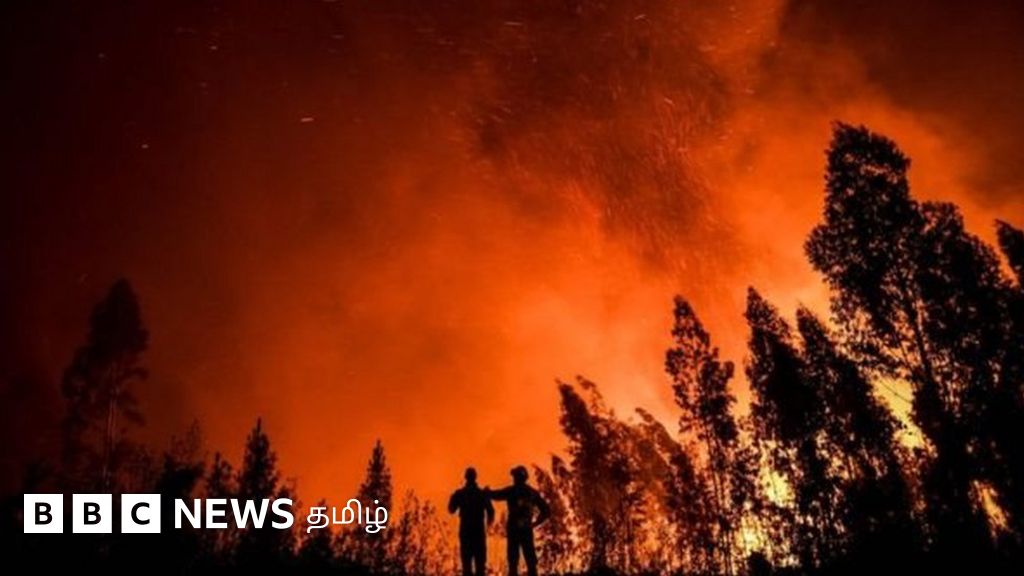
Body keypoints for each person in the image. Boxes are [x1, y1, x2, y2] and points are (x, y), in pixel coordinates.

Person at [486, 465, 550, 576]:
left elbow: (496, 495)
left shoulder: (512, 491)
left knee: (513, 561)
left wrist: (487, 492)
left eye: (515, 477)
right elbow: (546, 511)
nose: (514, 479)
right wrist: (534, 524)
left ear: (517, 478)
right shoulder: (532, 493)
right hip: (526, 529)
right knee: (530, 561)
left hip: (514, 530)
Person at [448, 467, 494, 576]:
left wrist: (453, 497)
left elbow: (451, 509)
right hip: (478, 534)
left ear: (466, 477)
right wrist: (488, 526)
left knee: (466, 567)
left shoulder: (460, 494)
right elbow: (491, 512)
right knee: (480, 567)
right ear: (475, 477)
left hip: (466, 534)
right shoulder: (481, 494)